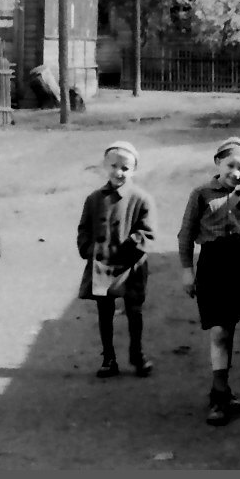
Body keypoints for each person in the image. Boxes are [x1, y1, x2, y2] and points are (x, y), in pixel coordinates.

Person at [177, 136, 240, 426]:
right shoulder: (201, 194)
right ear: (218, 163)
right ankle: (218, 394)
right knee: (218, 331)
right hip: (213, 265)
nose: (236, 173)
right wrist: (187, 270)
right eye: (231, 165)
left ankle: (224, 392)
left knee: (229, 328)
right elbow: (186, 234)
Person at [76, 140, 156, 378]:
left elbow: (148, 233)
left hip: (131, 265)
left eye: (125, 168)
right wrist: (90, 249)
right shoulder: (94, 199)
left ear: (134, 170)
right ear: (104, 165)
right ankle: (108, 358)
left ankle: (137, 355)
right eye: (114, 166)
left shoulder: (141, 199)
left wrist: (129, 248)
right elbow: (84, 228)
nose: (119, 172)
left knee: (134, 310)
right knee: (105, 310)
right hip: (102, 264)